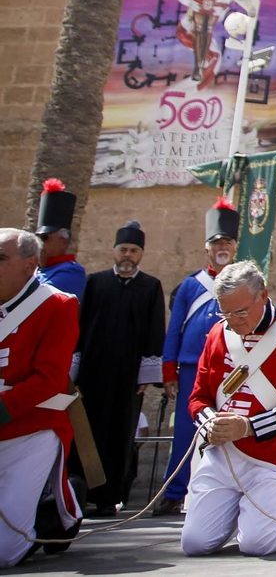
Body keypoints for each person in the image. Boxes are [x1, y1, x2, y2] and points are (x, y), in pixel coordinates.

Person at [179, 261, 276, 556]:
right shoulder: (218, 334)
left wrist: (248, 427)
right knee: (195, 544)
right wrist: (210, 422)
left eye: (240, 312)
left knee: (256, 544)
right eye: (225, 312)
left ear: (262, 296)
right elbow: (198, 398)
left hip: (272, 457)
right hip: (222, 454)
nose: (232, 321)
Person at [0, 228, 82, 568]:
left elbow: (49, 379)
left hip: (31, 431)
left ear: (30, 264)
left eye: (1, 259)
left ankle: (56, 506)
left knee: (4, 554)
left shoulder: (58, 305)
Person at [73, 219, 165, 517]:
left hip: (128, 377)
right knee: (88, 432)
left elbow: (154, 332)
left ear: (141, 254)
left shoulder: (150, 286)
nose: (128, 255)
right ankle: (80, 493)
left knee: (120, 434)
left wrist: (147, 375)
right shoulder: (95, 282)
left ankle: (109, 497)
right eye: (123, 249)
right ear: (114, 251)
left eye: (134, 250)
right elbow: (81, 328)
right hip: (92, 373)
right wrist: (74, 370)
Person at [156, 196, 239, 514]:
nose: (222, 247)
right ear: (207, 247)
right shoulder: (192, 285)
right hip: (192, 366)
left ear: (234, 247)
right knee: (185, 432)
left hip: (231, 367)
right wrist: (168, 372)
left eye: (228, 242)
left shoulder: (243, 281)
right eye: (217, 241)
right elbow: (175, 328)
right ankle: (174, 491)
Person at [34, 179, 86, 298]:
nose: (39, 243)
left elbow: (41, 299)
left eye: (45, 237)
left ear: (64, 241)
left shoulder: (71, 272)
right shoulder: (34, 270)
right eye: (36, 238)